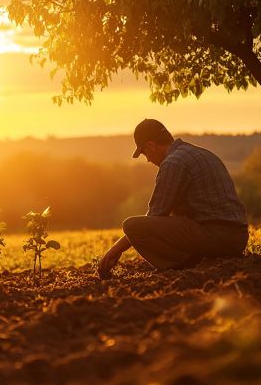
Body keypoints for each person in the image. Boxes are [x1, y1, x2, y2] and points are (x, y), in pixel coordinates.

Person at [98, 118, 248, 278]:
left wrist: (116, 249)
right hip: (238, 237)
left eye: (144, 153)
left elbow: (155, 215)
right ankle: (195, 259)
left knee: (132, 226)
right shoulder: (200, 153)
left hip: (215, 236)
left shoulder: (173, 162)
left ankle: (182, 266)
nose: (148, 159)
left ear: (150, 145)